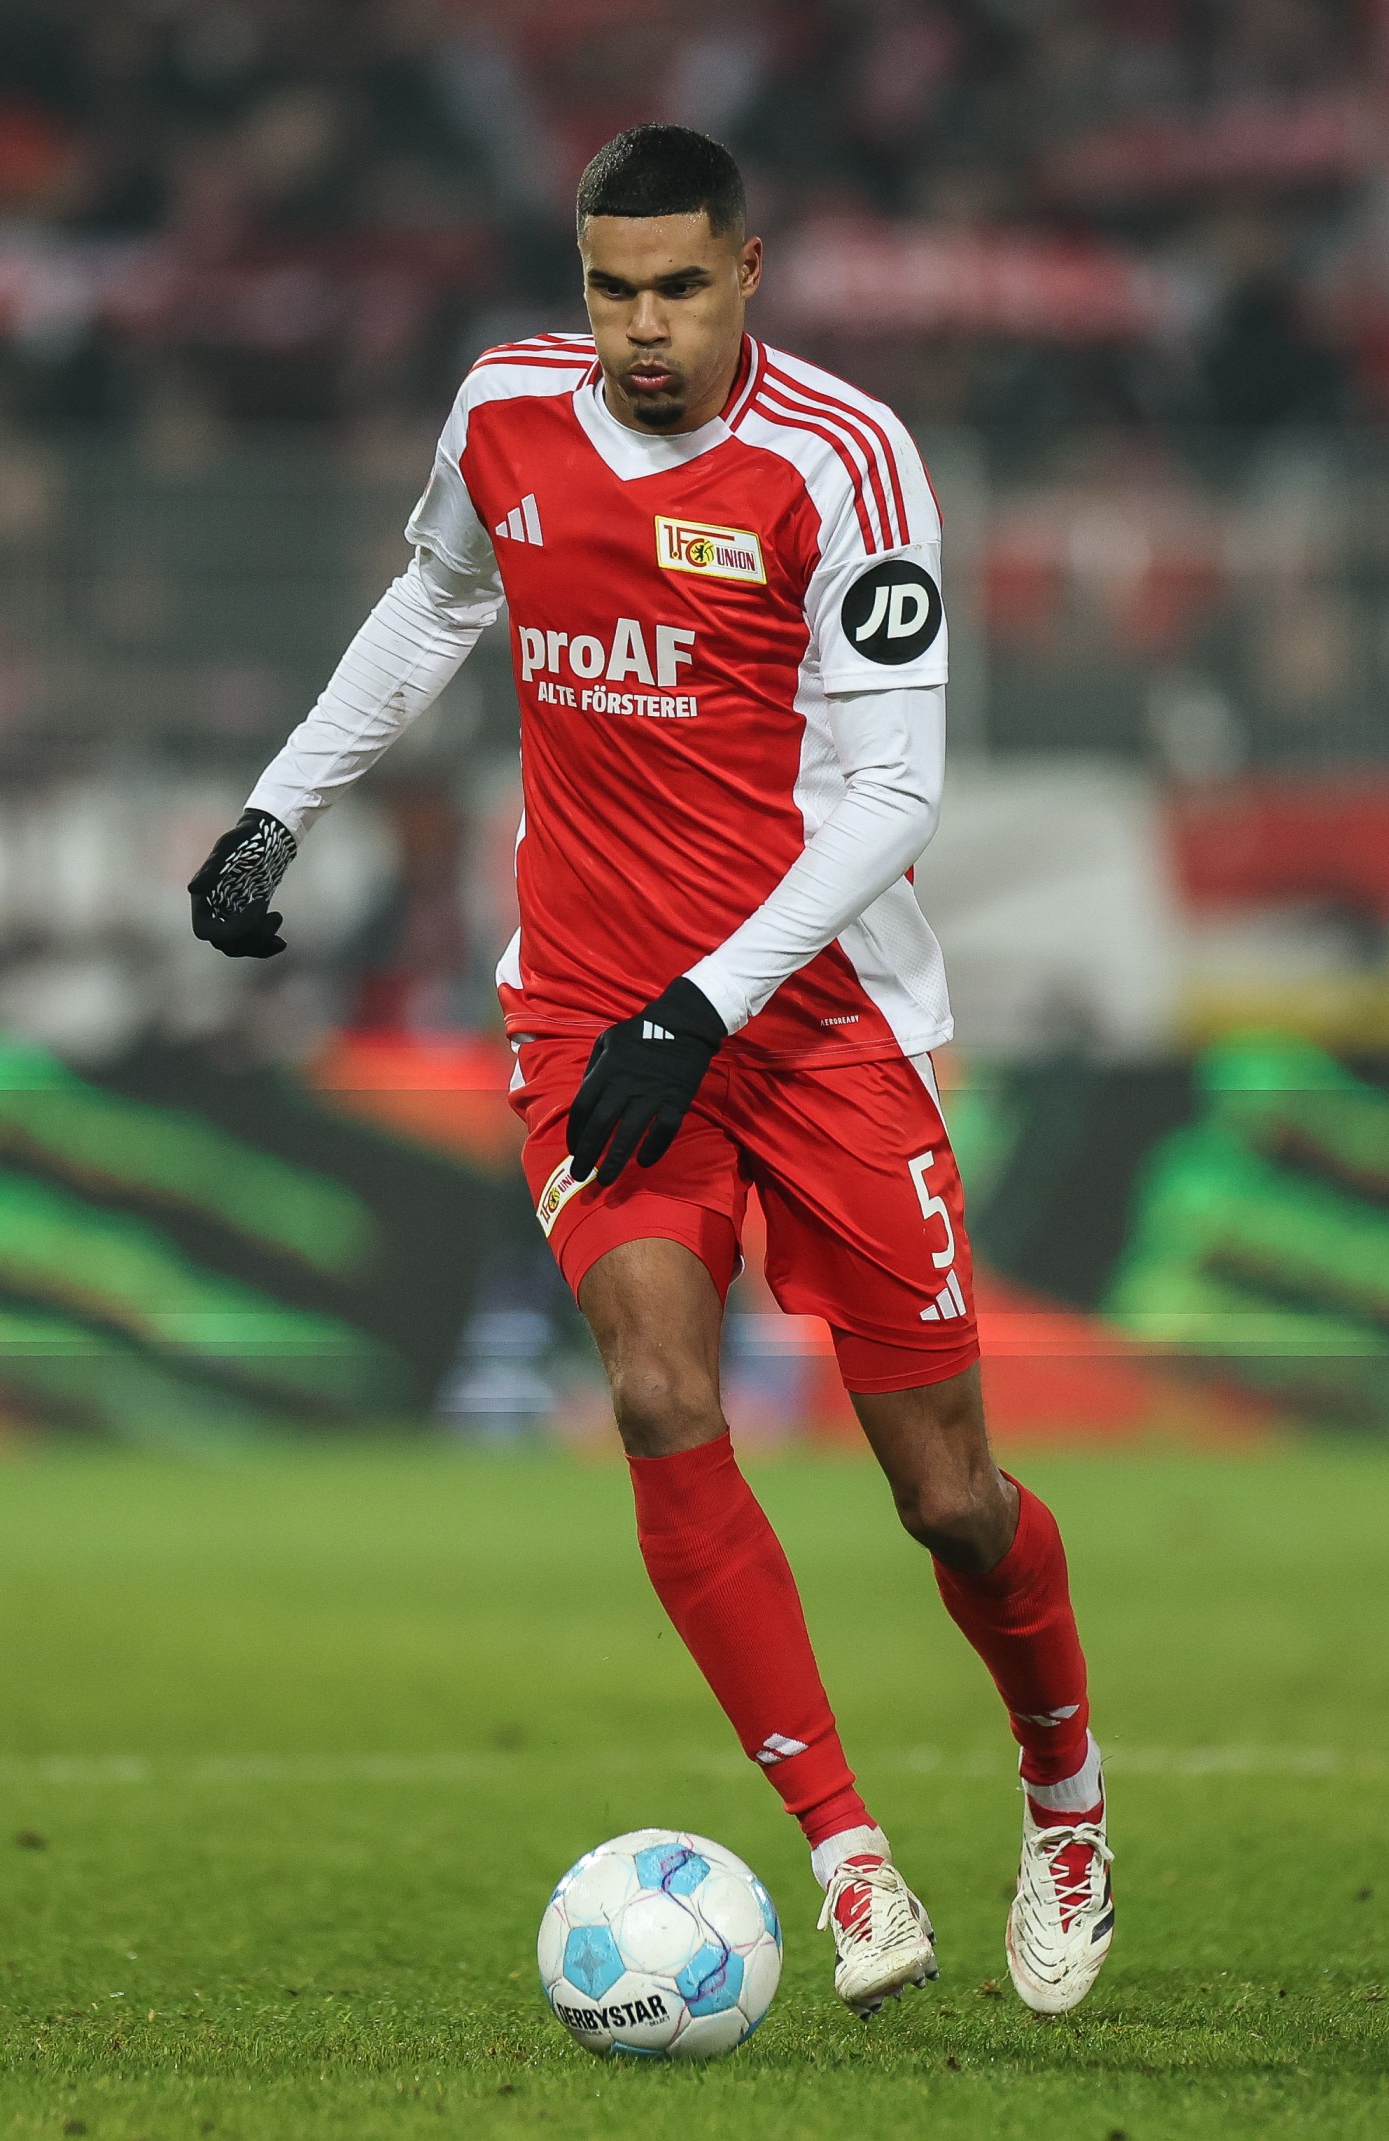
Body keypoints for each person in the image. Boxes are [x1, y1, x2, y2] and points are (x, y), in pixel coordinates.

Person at [183, 125, 1110, 2018]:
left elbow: (896, 796)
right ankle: (852, 1865)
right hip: (594, 1013)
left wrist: (708, 1003)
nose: (644, 328)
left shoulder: (845, 461)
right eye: (613, 288)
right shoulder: (505, 412)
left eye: (682, 286)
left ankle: (1066, 1800)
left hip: (825, 1019)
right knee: (661, 1386)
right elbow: (441, 598)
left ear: (750, 275)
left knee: (947, 1495)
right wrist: (280, 809)